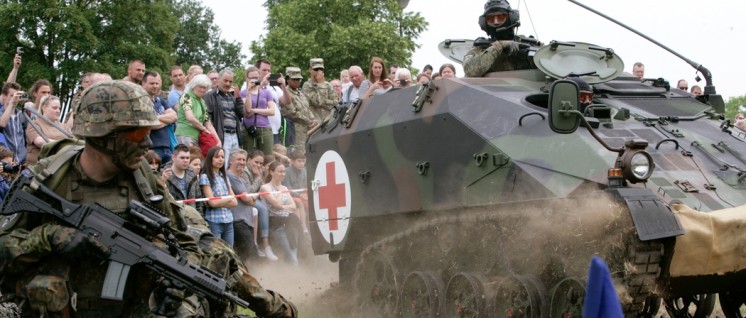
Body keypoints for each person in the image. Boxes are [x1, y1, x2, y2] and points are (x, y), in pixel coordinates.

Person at [0, 81, 297, 317]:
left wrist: (181, 270)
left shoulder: (140, 174)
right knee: (46, 287)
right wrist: (48, 236)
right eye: (137, 133)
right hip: (68, 299)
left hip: (127, 294)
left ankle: (274, 308)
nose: (147, 142)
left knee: (212, 259)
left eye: (149, 131)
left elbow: (186, 232)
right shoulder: (50, 178)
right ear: (103, 136)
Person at [463, 0, 536, 77]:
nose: (496, 22)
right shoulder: (480, 48)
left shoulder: (529, 44)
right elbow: (471, 71)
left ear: (511, 18)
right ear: (484, 24)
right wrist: (499, 46)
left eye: (500, 17)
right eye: (491, 19)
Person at [261, 161, 303, 266]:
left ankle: (295, 274)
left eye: (284, 171)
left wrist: (283, 205)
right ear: (271, 172)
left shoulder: (285, 188)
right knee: (289, 253)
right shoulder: (265, 188)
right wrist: (279, 190)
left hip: (290, 221)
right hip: (276, 223)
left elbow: (293, 206)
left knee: (294, 251)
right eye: (280, 171)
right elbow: (277, 204)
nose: (283, 174)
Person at [204, 68, 244, 167]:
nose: (228, 84)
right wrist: (215, 137)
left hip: (234, 134)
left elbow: (242, 113)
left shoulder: (232, 96)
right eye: (225, 80)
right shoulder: (210, 95)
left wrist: (238, 98)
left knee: (235, 165)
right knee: (223, 165)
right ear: (218, 80)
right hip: (222, 135)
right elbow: (207, 118)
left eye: (230, 81)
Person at [200, 146, 237, 247]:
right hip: (214, 222)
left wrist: (222, 201)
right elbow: (212, 202)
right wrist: (228, 199)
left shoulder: (224, 177)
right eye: (217, 157)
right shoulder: (205, 176)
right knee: (217, 254)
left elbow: (235, 202)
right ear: (210, 158)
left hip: (228, 220)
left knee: (230, 253)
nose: (220, 159)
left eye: (222, 157)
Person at [226, 149, 259, 263]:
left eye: (244, 160)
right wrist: (250, 199)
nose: (242, 162)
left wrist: (249, 199)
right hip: (238, 221)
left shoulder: (242, 178)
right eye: (239, 159)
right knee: (252, 256)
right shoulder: (229, 176)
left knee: (245, 257)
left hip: (247, 221)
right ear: (231, 161)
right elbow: (247, 199)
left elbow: (252, 201)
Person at [246, 150, 277, 260]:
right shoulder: (246, 172)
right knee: (263, 209)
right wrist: (258, 177)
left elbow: (262, 188)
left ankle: (268, 243)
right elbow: (249, 191)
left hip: (256, 198)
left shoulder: (258, 171)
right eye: (256, 162)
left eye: (260, 163)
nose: (258, 165)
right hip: (246, 200)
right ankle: (265, 244)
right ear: (249, 160)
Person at [174, 74, 220, 148]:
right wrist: (203, 129)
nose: (202, 90)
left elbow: (208, 123)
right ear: (194, 86)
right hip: (185, 135)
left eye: (204, 88)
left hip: (197, 137)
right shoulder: (186, 96)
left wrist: (218, 141)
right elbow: (190, 117)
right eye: (200, 87)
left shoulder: (202, 101)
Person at [25, 95, 72, 165]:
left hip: (59, 165)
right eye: (54, 108)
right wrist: (65, 145)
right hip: (38, 167)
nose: (58, 111)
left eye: (59, 108)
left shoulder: (64, 127)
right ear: (44, 107)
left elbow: (73, 142)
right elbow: (41, 142)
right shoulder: (34, 124)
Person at [142, 71, 176, 165]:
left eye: (157, 83)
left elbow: (174, 116)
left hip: (167, 148)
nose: (155, 86)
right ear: (143, 83)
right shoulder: (141, 102)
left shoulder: (160, 100)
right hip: (152, 149)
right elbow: (149, 124)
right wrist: (167, 120)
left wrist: (156, 117)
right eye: (152, 83)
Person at [242, 66, 276, 155]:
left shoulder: (266, 92)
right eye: (252, 78)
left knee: (267, 157)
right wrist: (249, 91)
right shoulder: (243, 92)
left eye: (256, 78)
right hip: (249, 128)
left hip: (265, 127)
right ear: (247, 78)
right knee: (249, 156)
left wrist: (255, 110)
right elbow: (248, 110)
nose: (254, 80)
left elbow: (272, 111)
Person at [282, 67, 318, 148]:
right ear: (287, 80)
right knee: (297, 156)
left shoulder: (300, 93)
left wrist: (313, 120)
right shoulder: (286, 94)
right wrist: (309, 121)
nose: (297, 82)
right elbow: (292, 113)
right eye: (294, 79)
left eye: (298, 79)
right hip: (295, 132)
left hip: (307, 131)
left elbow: (307, 108)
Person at [163, 144, 203, 213]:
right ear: (173, 157)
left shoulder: (192, 174)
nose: (185, 160)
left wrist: (200, 218)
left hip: (193, 218)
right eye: (182, 158)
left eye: (187, 158)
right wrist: (162, 181)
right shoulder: (164, 175)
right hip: (175, 218)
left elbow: (199, 200)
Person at [0, 82, 28, 164]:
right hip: (4, 162)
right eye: (12, 96)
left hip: (21, 163)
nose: (15, 98)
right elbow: (2, 124)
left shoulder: (22, 115)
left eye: (17, 96)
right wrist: (11, 103)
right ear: (4, 96)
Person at [303, 58, 337, 122]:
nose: (319, 72)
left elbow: (335, 103)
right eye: (316, 69)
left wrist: (325, 102)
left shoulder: (328, 85)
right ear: (310, 70)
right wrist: (321, 84)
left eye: (321, 69)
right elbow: (318, 102)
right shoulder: (307, 86)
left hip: (330, 120)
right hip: (316, 123)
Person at [283, 148, 309, 234]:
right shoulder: (287, 172)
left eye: (303, 161)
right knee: (300, 202)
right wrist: (299, 195)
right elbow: (288, 188)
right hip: (291, 195)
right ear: (292, 161)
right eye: (299, 161)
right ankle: (304, 228)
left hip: (302, 194)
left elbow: (305, 185)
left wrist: (305, 194)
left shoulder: (304, 171)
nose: (302, 163)